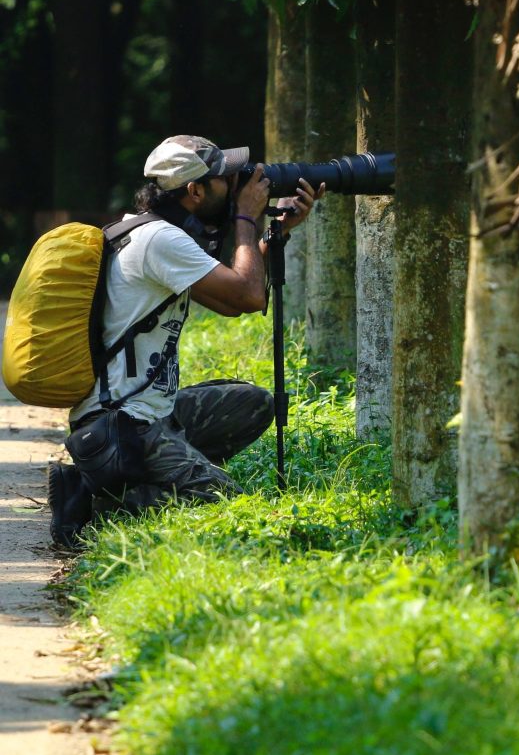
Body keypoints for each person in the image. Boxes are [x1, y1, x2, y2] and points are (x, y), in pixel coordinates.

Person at [48, 134, 324, 547]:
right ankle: (92, 501)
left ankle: (158, 470)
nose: (234, 187)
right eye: (223, 180)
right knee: (226, 503)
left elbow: (230, 300)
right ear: (194, 190)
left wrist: (273, 234)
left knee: (253, 403)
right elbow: (248, 295)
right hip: (125, 426)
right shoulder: (160, 240)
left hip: (145, 414)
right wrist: (247, 220)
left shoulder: (150, 235)